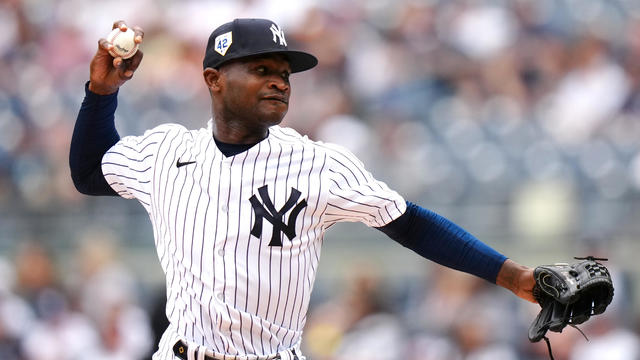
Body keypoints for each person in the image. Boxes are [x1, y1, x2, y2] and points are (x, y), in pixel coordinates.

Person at [70, 18, 536, 360]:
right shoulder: (167, 151)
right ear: (214, 79)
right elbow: (90, 172)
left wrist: (515, 278)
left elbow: (410, 223)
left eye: (285, 73)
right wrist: (101, 93)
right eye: (261, 69)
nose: (279, 81)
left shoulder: (319, 164)